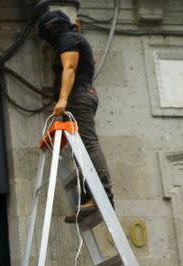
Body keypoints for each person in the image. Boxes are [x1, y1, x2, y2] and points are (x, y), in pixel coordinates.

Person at [38, 9, 114, 223]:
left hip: (77, 97)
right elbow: (90, 61)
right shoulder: (73, 38)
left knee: (88, 143)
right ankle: (90, 196)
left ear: (52, 28)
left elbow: (70, 68)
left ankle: (103, 195)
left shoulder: (68, 38)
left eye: (46, 34)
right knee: (80, 148)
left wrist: (62, 99)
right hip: (81, 96)